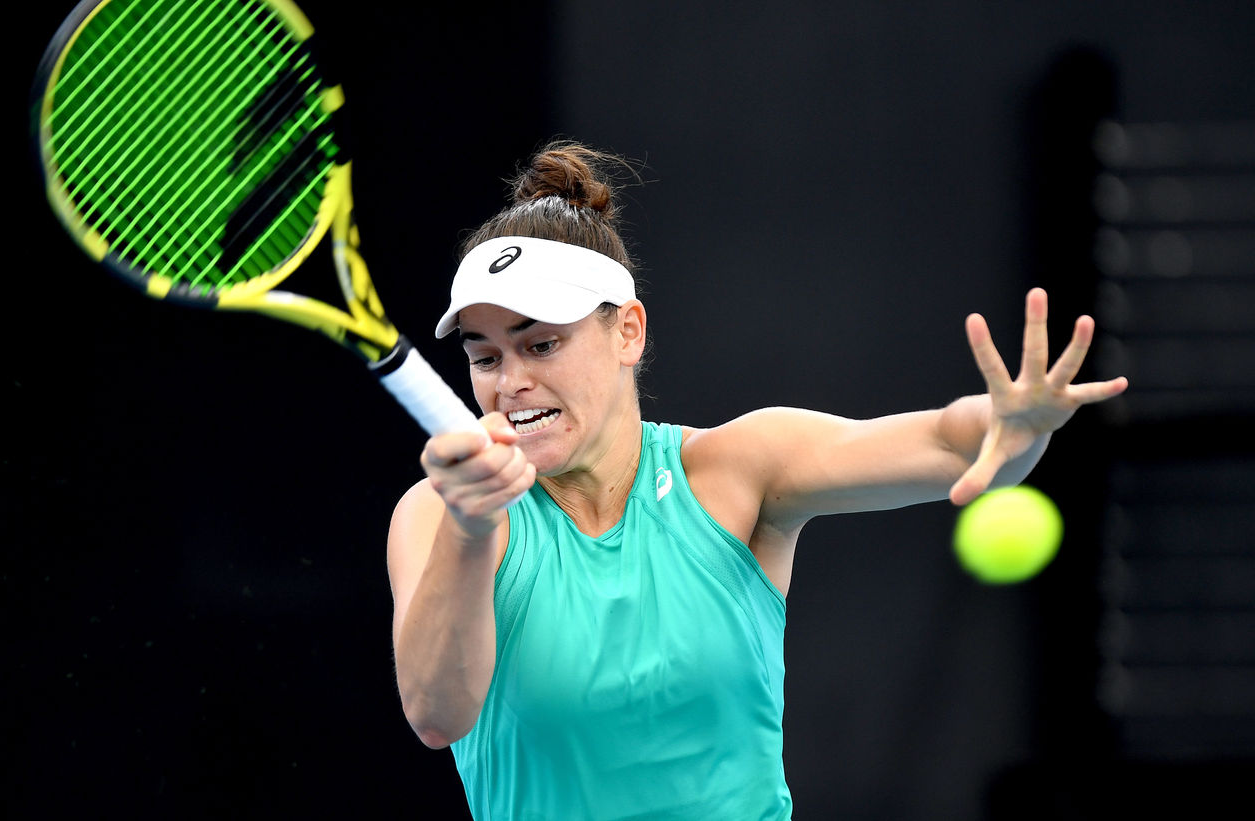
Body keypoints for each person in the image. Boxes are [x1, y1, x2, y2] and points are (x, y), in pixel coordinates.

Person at [385, 140, 1128, 820]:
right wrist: (472, 527)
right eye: (485, 356)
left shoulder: (740, 469)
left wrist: (1016, 427)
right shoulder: (437, 516)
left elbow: (947, 441)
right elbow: (435, 713)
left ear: (628, 331)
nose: (510, 381)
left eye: (540, 343)